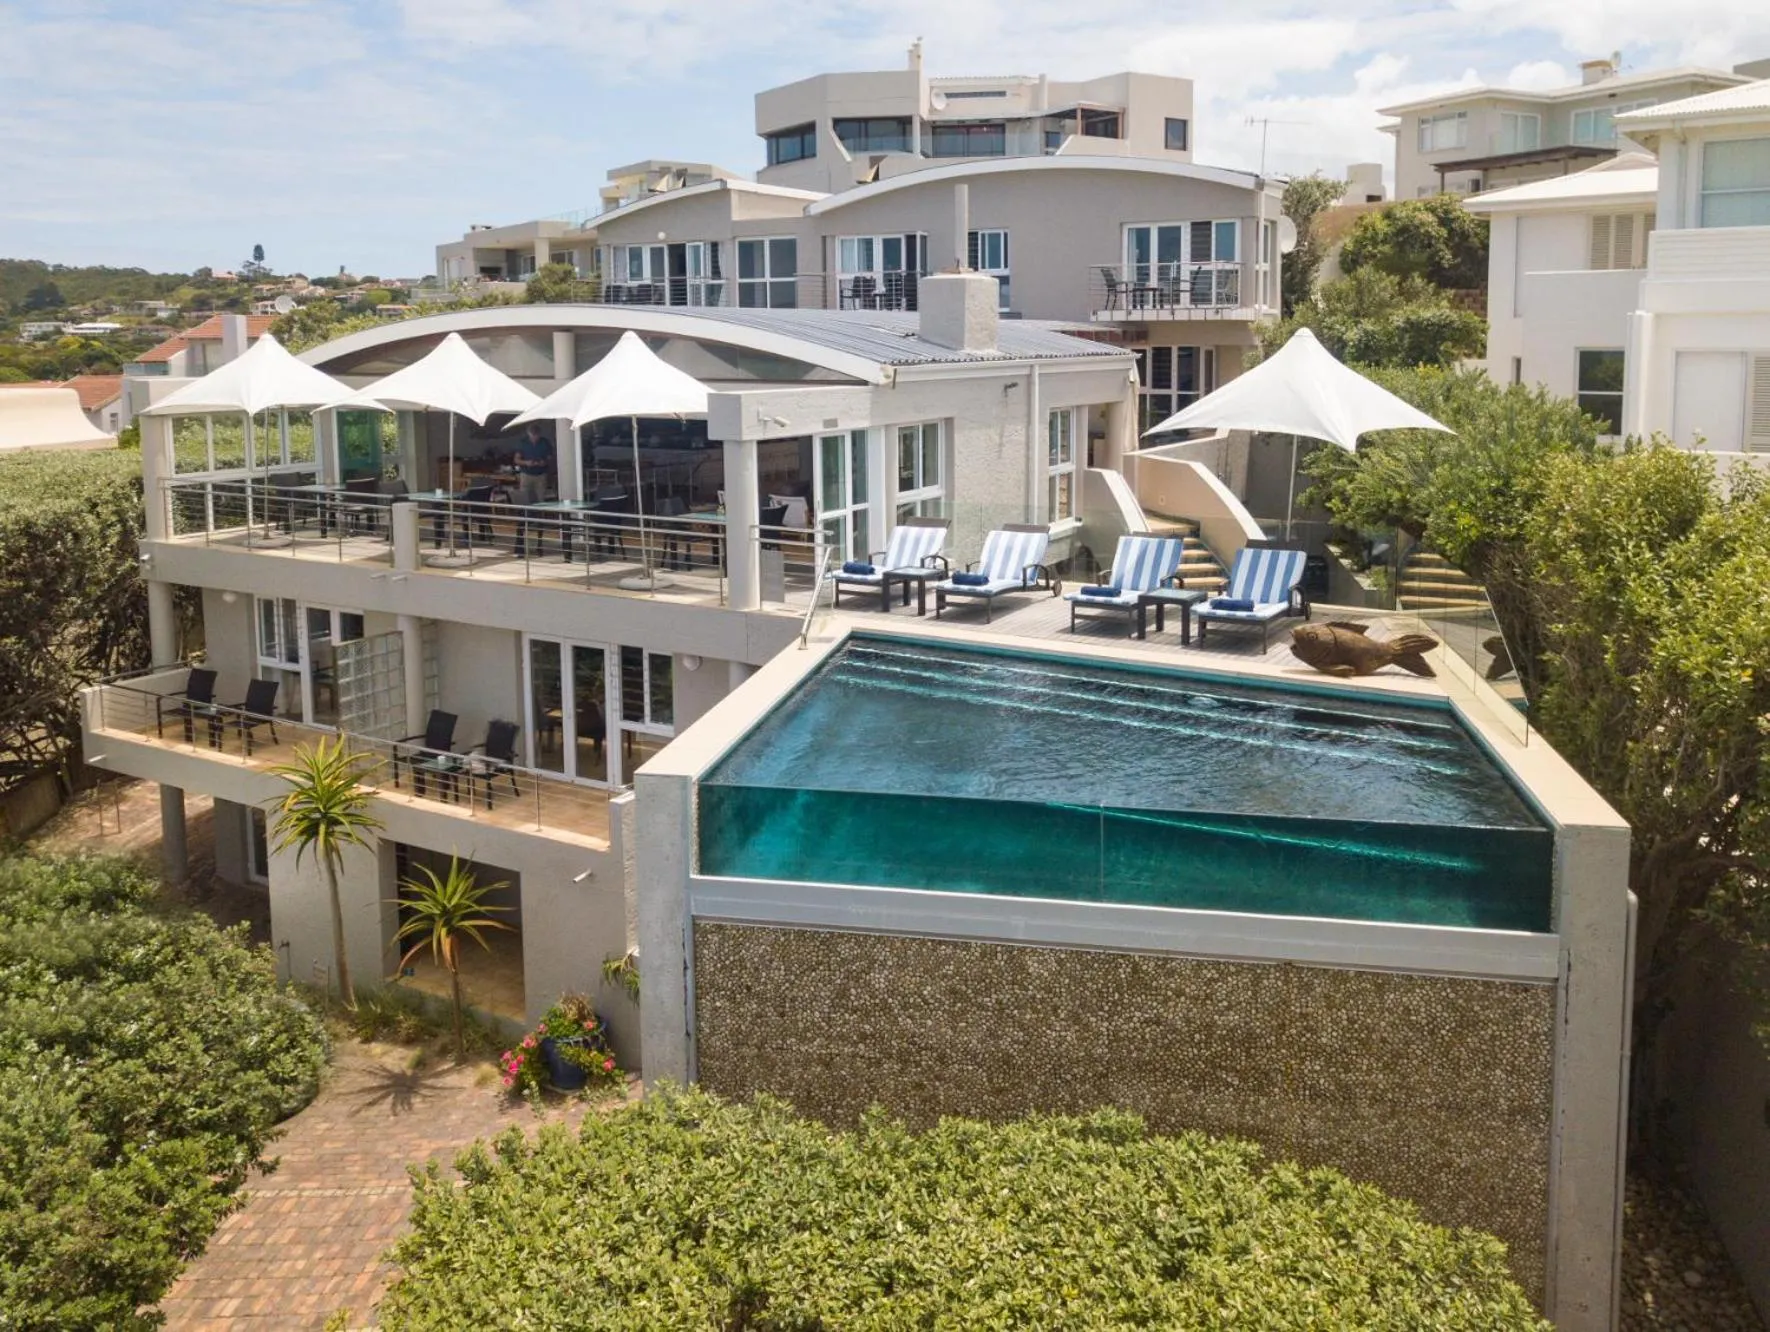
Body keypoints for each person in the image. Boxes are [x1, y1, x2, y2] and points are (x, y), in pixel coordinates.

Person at [513, 423, 555, 505]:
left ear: (539, 434)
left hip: (541, 475)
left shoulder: (545, 442)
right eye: (532, 436)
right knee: (525, 498)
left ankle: (539, 516)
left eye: (536, 436)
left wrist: (544, 462)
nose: (534, 438)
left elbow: (551, 458)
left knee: (540, 499)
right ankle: (526, 516)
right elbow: (516, 459)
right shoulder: (523, 443)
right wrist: (526, 462)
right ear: (529, 434)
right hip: (526, 475)